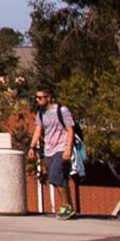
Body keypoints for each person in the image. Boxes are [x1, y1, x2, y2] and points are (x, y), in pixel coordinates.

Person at [28, 88, 78, 219]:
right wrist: (32, 147)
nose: (37, 100)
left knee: (56, 175)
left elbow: (70, 130)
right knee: (57, 178)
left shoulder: (62, 111)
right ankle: (69, 206)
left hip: (61, 147)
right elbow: (38, 131)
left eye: (40, 97)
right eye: (36, 98)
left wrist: (68, 148)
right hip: (49, 149)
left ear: (49, 97)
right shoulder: (41, 113)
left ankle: (65, 206)